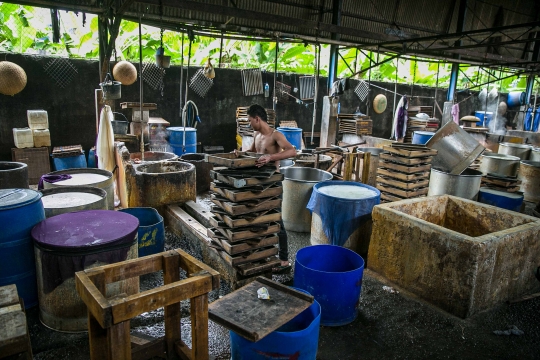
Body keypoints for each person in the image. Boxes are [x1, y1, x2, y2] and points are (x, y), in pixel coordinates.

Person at [244, 104, 297, 273]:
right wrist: (240, 153)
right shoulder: (256, 134)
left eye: (250, 120)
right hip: (259, 183)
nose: (249, 123)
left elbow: (292, 151)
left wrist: (271, 157)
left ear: (257, 119)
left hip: (273, 182)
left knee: (277, 220)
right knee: (259, 218)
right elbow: (253, 152)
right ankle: (264, 252)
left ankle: (283, 260)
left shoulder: (276, 135)